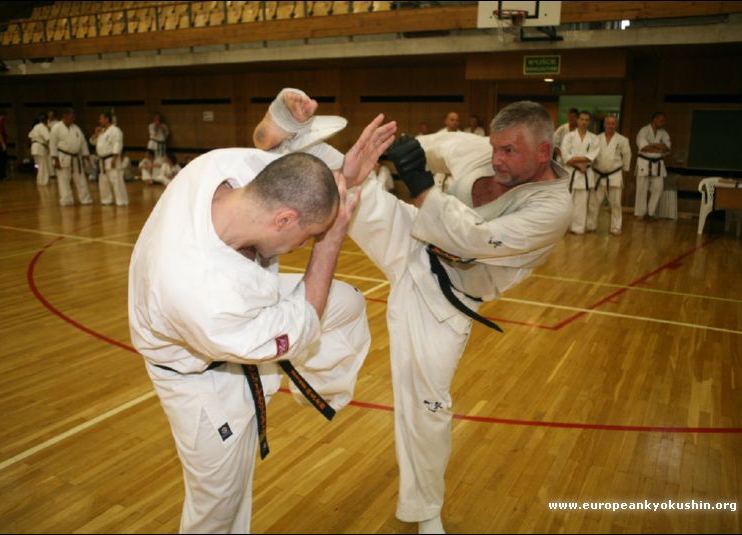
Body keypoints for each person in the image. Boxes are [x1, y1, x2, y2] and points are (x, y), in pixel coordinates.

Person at [261, 91, 572, 534]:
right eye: (495, 147)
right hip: (414, 237)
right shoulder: (476, 152)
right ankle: (293, 133)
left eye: (509, 151)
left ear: (544, 152)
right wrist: (393, 150)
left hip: (448, 300)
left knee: (426, 408)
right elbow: (433, 147)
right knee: (355, 186)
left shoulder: (553, 209)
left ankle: (426, 512)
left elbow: (473, 240)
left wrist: (423, 185)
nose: (497, 159)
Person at [129, 102, 396, 534]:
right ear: (284, 220)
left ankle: (305, 382)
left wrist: (345, 174)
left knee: (344, 301)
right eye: (305, 236)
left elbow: (271, 148)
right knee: (218, 505)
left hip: (232, 306)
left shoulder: (225, 169)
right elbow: (302, 328)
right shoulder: (200, 291)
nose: (303, 244)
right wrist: (329, 244)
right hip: (200, 380)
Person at [588, 115, 631, 235]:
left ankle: (616, 227)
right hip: (598, 174)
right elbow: (591, 155)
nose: (611, 125)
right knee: (593, 202)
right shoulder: (596, 139)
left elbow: (627, 156)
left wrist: (625, 171)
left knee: (616, 203)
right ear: (604, 124)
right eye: (608, 123)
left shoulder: (622, 140)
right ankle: (591, 225)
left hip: (614, 175)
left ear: (616, 125)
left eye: (613, 123)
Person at [561, 111, 600, 234]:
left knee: (582, 203)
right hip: (571, 172)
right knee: (567, 202)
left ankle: (578, 228)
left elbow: (591, 157)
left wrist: (574, 159)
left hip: (585, 174)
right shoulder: (568, 136)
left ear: (589, 122)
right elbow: (565, 156)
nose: (584, 122)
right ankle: (564, 227)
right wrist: (578, 164)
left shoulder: (594, 138)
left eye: (586, 120)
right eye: (582, 119)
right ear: (577, 121)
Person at [50, 108, 93, 206]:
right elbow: (52, 144)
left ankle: (85, 199)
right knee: (64, 180)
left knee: (81, 179)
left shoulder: (76, 128)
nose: (73, 118)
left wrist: (85, 155)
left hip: (76, 158)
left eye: (74, 116)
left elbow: (83, 143)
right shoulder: (56, 128)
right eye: (71, 116)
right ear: (65, 116)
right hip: (63, 157)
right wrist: (55, 159)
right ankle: (67, 200)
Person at [634, 111, 671, 221]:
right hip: (644, 162)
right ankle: (640, 213)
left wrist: (652, 145)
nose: (662, 123)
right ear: (654, 119)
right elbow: (643, 147)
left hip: (658, 163)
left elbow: (667, 148)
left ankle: (651, 212)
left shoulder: (664, 133)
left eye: (663, 121)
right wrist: (659, 147)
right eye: (661, 120)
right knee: (642, 188)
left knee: (658, 188)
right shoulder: (644, 130)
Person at [90, 111, 128, 206]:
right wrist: (96, 134)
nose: (99, 121)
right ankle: (106, 200)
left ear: (107, 119)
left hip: (112, 158)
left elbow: (117, 143)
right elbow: (93, 142)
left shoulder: (115, 130)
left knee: (116, 180)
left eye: (101, 118)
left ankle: (121, 201)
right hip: (102, 160)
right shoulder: (102, 131)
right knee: (104, 181)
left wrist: (115, 158)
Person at [28, 113, 51, 186]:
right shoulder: (43, 127)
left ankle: (39, 181)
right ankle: (43, 182)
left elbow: (29, 135)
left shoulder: (36, 126)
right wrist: (49, 148)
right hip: (40, 147)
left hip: (34, 146)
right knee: (43, 165)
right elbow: (48, 138)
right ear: (47, 120)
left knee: (39, 165)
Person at [47, 110, 59, 179]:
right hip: (48, 142)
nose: (50, 115)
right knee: (49, 158)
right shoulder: (46, 122)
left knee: (55, 157)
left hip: (55, 142)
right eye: (49, 114)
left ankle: (57, 173)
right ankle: (51, 173)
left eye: (51, 114)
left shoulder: (57, 123)